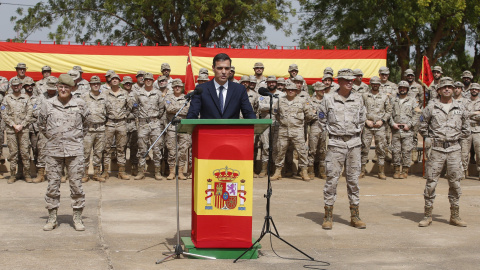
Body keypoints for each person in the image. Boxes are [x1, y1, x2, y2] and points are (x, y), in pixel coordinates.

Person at [39, 74, 90, 231]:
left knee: (76, 184)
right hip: (54, 151)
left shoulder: (80, 104)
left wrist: (73, 138)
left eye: (66, 87)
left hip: (74, 151)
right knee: (52, 185)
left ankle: (77, 217)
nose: (63, 90)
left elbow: (87, 124)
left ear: (72, 89)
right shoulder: (47, 104)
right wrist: (55, 138)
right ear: (57, 87)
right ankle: (52, 217)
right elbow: (42, 125)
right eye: (60, 87)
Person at [318, 68, 367, 230]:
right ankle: (328, 215)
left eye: (351, 80)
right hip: (335, 144)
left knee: (353, 180)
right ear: (338, 81)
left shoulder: (358, 98)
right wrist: (333, 134)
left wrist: (352, 133)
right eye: (346, 80)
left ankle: (355, 215)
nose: (349, 82)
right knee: (331, 180)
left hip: (353, 144)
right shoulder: (328, 98)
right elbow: (321, 119)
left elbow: (362, 119)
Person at [418, 77, 469, 227]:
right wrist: (429, 138)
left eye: (450, 87)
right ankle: (427, 215)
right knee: (431, 182)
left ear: (453, 90)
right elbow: (422, 124)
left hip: (454, 149)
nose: (447, 89)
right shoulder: (431, 107)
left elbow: (466, 129)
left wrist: (455, 139)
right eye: (444, 87)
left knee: (455, 183)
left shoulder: (461, 108)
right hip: (437, 150)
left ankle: (455, 215)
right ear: (439, 90)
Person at [187, 53, 256, 119]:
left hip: (232, 130)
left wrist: (255, 126)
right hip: (207, 131)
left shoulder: (239, 89)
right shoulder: (202, 89)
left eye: (227, 68)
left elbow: (249, 114)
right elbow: (192, 115)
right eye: (220, 68)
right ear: (213, 68)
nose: (223, 72)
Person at [270, 82, 315, 181]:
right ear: (285, 90)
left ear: (296, 91)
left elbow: (309, 115)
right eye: (289, 89)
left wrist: (299, 123)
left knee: (302, 151)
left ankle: (304, 171)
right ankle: (278, 172)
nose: (291, 91)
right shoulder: (280, 100)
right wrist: (283, 121)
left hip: (297, 130)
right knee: (280, 151)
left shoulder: (302, 101)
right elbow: (275, 113)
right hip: (283, 129)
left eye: (293, 89)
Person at [132, 72, 165, 180]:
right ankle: (141, 171)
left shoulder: (158, 93)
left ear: (152, 80)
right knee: (142, 148)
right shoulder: (138, 93)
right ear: (144, 80)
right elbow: (135, 107)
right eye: (146, 79)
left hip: (155, 123)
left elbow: (161, 108)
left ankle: (157, 171)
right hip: (143, 123)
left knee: (156, 148)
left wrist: (155, 118)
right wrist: (140, 118)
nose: (148, 81)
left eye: (150, 79)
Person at [1, 77, 33, 183]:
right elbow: (3, 113)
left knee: (24, 152)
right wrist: (13, 125)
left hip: (23, 130)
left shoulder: (26, 98)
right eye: (14, 85)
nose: (16, 87)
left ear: (21, 86)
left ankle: (27, 174)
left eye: (18, 85)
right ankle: (12, 175)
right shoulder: (7, 98)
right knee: (13, 152)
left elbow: (29, 113)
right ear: (11, 86)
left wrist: (22, 125)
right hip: (11, 129)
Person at [360, 76, 392, 180]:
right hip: (368, 126)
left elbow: (388, 111)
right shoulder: (365, 96)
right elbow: (360, 110)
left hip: (380, 126)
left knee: (381, 149)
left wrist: (382, 121)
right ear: (370, 84)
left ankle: (381, 171)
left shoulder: (384, 97)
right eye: (373, 83)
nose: (375, 85)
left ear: (379, 85)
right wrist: (365, 120)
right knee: (364, 148)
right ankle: (362, 170)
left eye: (377, 83)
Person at [104, 73, 133, 180]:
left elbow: (130, 106)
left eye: (117, 79)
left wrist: (124, 115)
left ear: (120, 81)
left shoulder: (125, 93)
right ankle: (105, 171)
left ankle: (121, 171)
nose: (115, 80)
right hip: (109, 123)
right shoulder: (105, 94)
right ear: (110, 81)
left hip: (121, 123)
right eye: (113, 79)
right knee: (106, 148)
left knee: (121, 148)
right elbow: (102, 108)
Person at [390, 81, 420, 179]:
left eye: (404, 88)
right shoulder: (393, 100)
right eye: (401, 88)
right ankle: (397, 170)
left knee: (406, 151)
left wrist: (410, 125)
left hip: (407, 130)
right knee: (396, 151)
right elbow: (388, 113)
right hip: (396, 130)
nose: (402, 89)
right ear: (398, 89)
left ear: (407, 89)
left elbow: (417, 114)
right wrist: (392, 123)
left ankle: (405, 170)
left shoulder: (412, 101)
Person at [32, 76, 58, 183]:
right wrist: (48, 114)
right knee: (42, 151)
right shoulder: (40, 97)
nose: (51, 90)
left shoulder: (61, 97)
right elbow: (35, 111)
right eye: (49, 88)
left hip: (57, 129)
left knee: (58, 152)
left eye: (53, 88)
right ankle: (41, 174)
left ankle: (58, 174)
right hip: (44, 129)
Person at [257, 76, 284, 178]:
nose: (271, 84)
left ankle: (275, 170)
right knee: (265, 146)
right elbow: (260, 106)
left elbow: (283, 107)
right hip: (265, 123)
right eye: (269, 82)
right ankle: (264, 169)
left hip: (277, 123)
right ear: (267, 83)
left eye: (273, 82)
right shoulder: (262, 94)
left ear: (276, 83)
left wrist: (268, 108)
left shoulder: (282, 95)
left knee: (277, 146)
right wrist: (274, 107)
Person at [81, 76, 107, 182]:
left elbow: (108, 111)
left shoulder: (105, 97)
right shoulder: (84, 97)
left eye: (97, 83)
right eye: (93, 84)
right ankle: (84, 174)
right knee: (86, 152)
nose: (95, 85)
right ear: (90, 85)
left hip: (101, 128)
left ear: (100, 85)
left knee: (98, 152)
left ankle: (97, 174)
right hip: (88, 129)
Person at [165, 79, 190, 180]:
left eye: (179, 86)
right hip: (171, 126)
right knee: (171, 150)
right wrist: (180, 107)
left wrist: (174, 108)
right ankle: (171, 171)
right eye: (175, 86)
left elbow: (187, 111)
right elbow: (168, 108)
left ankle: (180, 172)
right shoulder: (168, 97)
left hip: (183, 126)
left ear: (182, 87)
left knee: (183, 150)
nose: (177, 88)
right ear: (173, 87)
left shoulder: (187, 98)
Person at [308, 82, 328, 179]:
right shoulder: (310, 101)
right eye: (321, 90)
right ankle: (311, 170)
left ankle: (322, 170)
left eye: (324, 89)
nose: (323, 91)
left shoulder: (327, 100)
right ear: (316, 90)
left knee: (323, 150)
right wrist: (314, 113)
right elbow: (309, 114)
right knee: (312, 149)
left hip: (325, 127)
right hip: (314, 126)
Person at [461, 83, 480, 179]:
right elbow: (462, 114)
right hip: (466, 130)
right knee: (464, 152)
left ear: (479, 91)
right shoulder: (465, 102)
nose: (474, 90)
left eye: (476, 89)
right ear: (470, 90)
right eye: (472, 89)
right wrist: (475, 113)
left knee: (479, 152)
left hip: (478, 130)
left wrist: (469, 114)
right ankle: (463, 171)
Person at [122, 76, 139, 176]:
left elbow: (136, 111)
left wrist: (126, 115)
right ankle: (122, 168)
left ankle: (134, 166)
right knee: (121, 146)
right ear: (123, 84)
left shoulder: (135, 95)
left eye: (129, 83)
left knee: (134, 146)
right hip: (121, 124)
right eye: (126, 83)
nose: (128, 85)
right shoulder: (119, 94)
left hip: (132, 124)